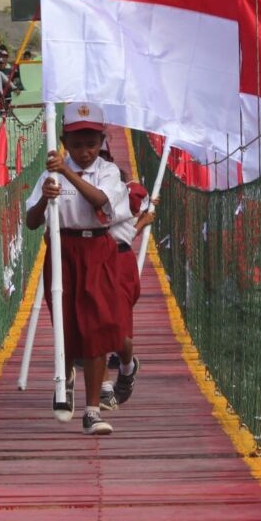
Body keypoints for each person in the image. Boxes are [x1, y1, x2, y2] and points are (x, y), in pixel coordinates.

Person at [24, 103, 131, 435]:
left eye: (91, 144)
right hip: (63, 250)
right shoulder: (49, 175)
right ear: (63, 142)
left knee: (97, 327)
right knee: (67, 324)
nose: (84, 152)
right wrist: (44, 197)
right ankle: (64, 381)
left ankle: (92, 409)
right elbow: (30, 221)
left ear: (101, 141)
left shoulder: (108, 172)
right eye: (76, 145)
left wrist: (67, 173)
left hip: (98, 250)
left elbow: (101, 202)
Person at [97, 150, 153, 411]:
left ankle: (127, 367)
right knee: (93, 321)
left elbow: (126, 232)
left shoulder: (125, 194)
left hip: (119, 262)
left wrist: (142, 221)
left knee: (119, 330)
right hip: (92, 262)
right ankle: (102, 387)